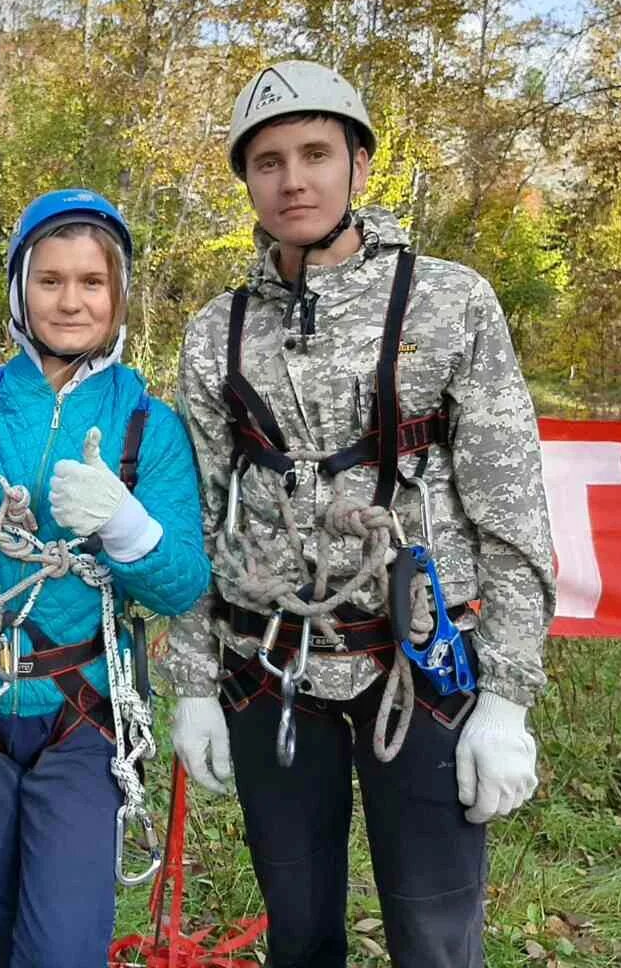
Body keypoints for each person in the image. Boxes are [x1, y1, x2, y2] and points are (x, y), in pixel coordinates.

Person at [168, 60, 556, 968]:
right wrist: (192, 683)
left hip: (420, 669)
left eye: (314, 153)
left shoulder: (450, 301)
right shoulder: (216, 333)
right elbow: (199, 518)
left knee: (434, 936)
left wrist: (506, 697)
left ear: (359, 166)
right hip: (274, 672)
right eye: (267, 161)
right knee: (299, 937)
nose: (292, 179)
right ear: (247, 180)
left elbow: (510, 510)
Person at [0, 189, 211, 968]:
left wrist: (125, 523)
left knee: (62, 948)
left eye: (92, 282)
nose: (71, 301)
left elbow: (183, 585)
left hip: (84, 721)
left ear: (118, 295)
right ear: (20, 289)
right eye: (50, 280)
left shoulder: (149, 424)